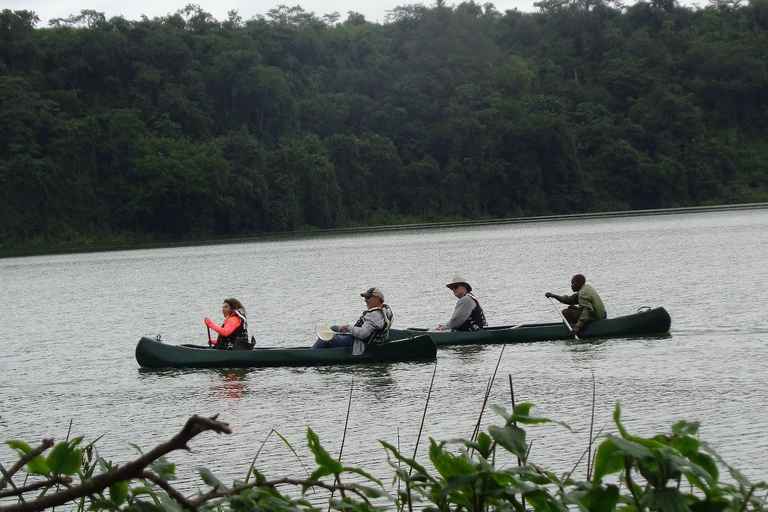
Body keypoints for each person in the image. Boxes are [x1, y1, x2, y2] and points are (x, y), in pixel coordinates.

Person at [312, 287, 394, 350]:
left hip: (359, 344)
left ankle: (312, 353)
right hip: (366, 340)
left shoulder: (374, 315)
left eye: (368, 298)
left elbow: (362, 334)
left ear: (377, 299)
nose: (365, 300)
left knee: (325, 337)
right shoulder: (384, 311)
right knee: (333, 328)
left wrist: (348, 327)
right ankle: (327, 350)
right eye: (365, 298)